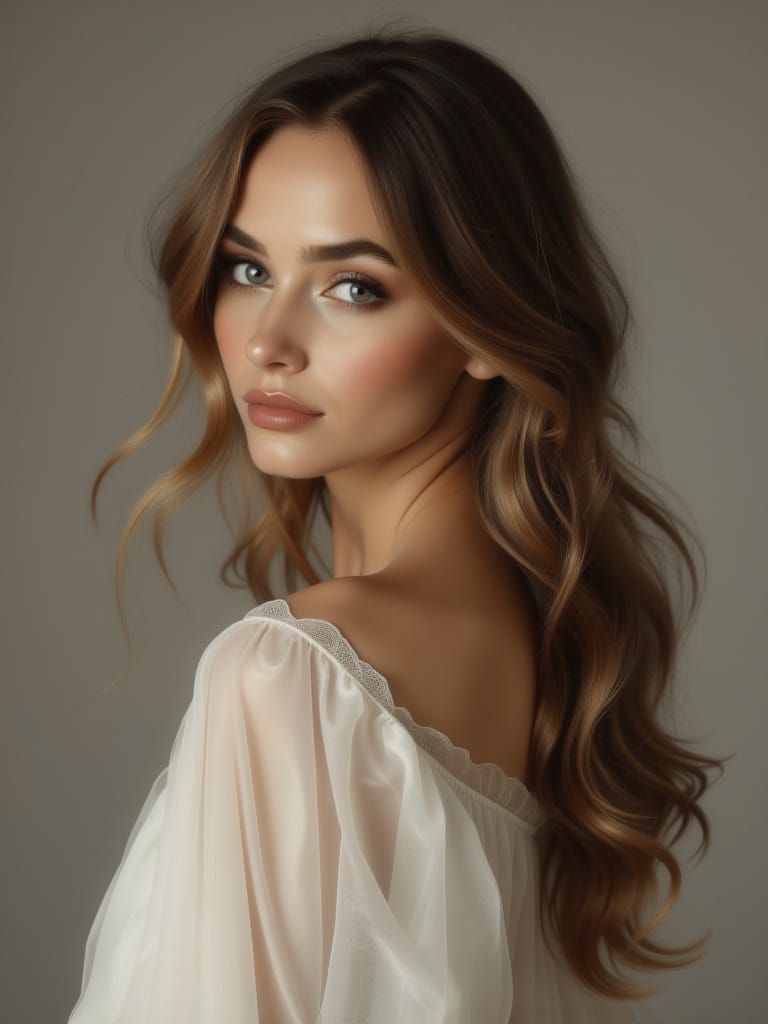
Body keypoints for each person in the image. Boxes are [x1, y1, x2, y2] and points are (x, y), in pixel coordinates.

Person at [68, 26, 727, 1023]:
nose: (268, 342)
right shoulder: (544, 656)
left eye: (352, 287)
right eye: (248, 269)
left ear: (481, 326)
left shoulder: (292, 672)